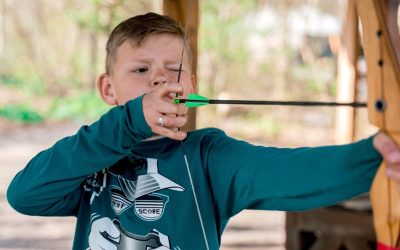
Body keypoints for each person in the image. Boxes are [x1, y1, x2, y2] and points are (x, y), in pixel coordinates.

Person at [6, 12, 400, 250]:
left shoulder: (208, 156)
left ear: (190, 87)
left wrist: (375, 155)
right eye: (141, 70)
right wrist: (128, 123)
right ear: (108, 89)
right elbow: (25, 195)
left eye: (173, 71)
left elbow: (288, 172)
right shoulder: (91, 154)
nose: (159, 81)